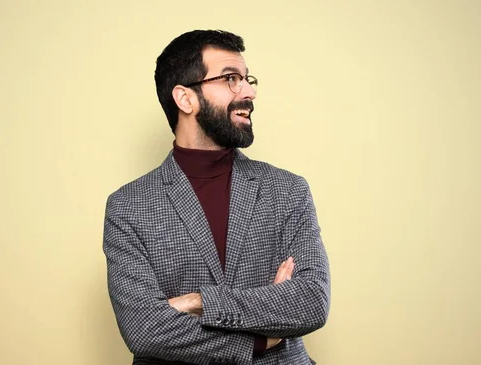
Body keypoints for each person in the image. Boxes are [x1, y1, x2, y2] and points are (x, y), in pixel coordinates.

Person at [103, 29, 330, 365]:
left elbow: (311, 301)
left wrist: (198, 302)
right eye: (230, 79)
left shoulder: (288, 190)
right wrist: (259, 341)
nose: (249, 91)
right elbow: (143, 329)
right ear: (185, 98)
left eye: (247, 79)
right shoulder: (128, 207)